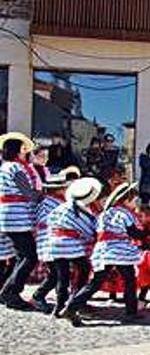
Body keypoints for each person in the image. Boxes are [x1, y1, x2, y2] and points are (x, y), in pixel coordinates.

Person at [61, 182, 150, 325]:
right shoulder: (125, 213)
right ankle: (131, 312)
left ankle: (71, 306)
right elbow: (133, 233)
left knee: (96, 282)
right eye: (134, 200)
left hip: (103, 250)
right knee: (130, 280)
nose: (135, 204)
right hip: (120, 251)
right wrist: (146, 233)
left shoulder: (105, 213)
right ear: (127, 200)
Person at [39, 178, 102, 317]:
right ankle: (76, 299)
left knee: (63, 276)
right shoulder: (78, 211)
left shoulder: (60, 207)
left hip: (53, 244)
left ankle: (59, 306)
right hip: (69, 245)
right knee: (84, 269)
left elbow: (50, 223)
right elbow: (89, 231)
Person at [0, 133, 43, 310]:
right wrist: (41, 197)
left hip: (8, 214)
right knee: (29, 256)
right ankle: (10, 292)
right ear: (18, 151)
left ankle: (8, 289)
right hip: (16, 216)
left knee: (21, 255)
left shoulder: (3, 167)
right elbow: (28, 193)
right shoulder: (16, 169)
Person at [28, 175, 69, 313]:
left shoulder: (50, 202)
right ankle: (43, 298)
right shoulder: (51, 203)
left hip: (49, 242)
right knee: (59, 273)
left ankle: (45, 298)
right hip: (50, 242)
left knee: (56, 274)